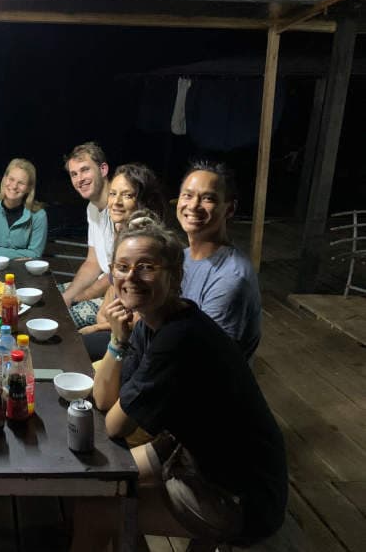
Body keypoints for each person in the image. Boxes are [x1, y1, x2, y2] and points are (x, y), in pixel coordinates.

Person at [72, 212, 287, 551]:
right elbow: (103, 400)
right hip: (194, 454)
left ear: (174, 275)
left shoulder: (179, 338)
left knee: (96, 510)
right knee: (100, 487)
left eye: (146, 267)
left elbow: (114, 425)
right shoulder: (151, 321)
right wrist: (117, 340)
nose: (131, 277)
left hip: (238, 494)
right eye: (122, 266)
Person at [79, 163, 166, 360]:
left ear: (143, 202)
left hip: (143, 338)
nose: (116, 202)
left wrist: (97, 327)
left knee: (76, 345)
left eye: (127, 195)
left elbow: (143, 318)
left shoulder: (148, 244)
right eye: (113, 193)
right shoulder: (122, 235)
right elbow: (113, 290)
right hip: (119, 328)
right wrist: (103, 319)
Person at [177, 161, 261, 360]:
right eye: (187, 195)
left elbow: (205, 357)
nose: (194, 205)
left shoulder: (231, 277)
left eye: (208, 198)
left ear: (229, 209)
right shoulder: (183, 257)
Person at [58, 142, 114, 328]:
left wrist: (78, 298)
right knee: (48, 297)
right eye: (74, 174)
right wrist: (68, 295)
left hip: (120, 292)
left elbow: (118, 274)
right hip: (104, 282)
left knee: (61, 322)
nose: (79, 179)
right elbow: (93, 262)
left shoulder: (120, 207)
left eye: (85, 170)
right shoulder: (92, 208)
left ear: (103, 169)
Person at [0, 158, 47, 260]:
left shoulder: (39, 215)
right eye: (11, 179)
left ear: (28, 188)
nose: (14, 186)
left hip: (22, 270)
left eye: (21, 183)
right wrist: (21, 254)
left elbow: (35, 253)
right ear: (4, 179)